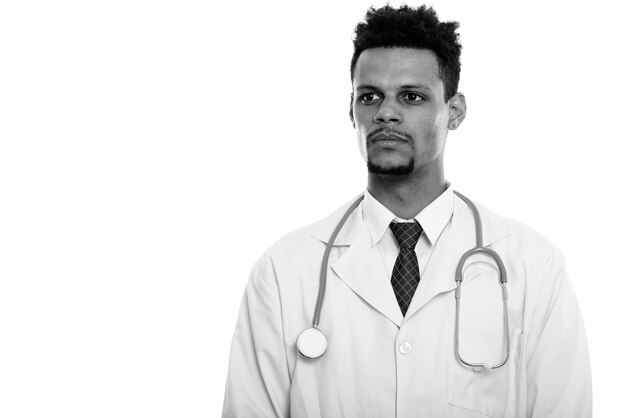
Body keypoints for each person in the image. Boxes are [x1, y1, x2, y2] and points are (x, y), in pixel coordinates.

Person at [221, 5, 592, 417]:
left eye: (411, 96)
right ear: (352, 111)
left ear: (455, 111)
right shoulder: (284, 271)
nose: (386, 112)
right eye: (370, 96)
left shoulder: (532, 265)